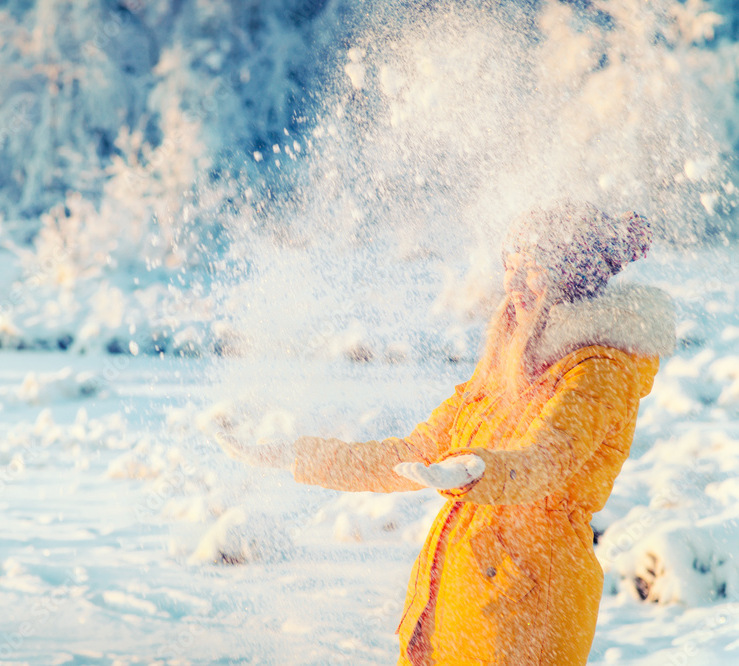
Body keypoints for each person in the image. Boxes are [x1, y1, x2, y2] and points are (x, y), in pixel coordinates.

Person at [216, 200, 676, 665]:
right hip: (460, 605)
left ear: (571, 278)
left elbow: (544, 461)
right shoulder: (506, 369)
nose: (513, 285)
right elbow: (414, 452)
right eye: (509, 267)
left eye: (531, 270)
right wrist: (298, 456)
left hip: (529, 610)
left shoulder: (598, 372)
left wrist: (479, 470)